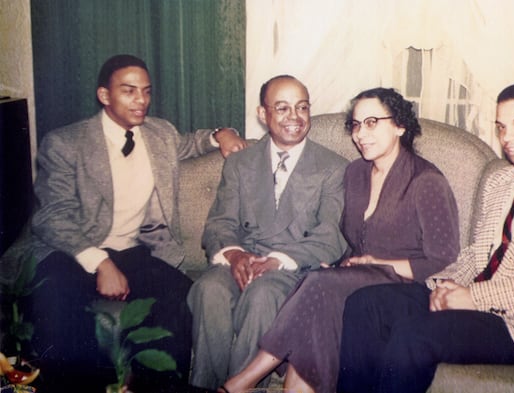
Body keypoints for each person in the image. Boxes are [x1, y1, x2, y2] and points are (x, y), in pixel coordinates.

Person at [337, 81, 514, 393]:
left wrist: (474, 297)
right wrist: (442, 286)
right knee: (365, 304)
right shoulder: (501, 181)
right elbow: (478, 254)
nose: (507, 138)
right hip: (475, 303)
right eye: (502, 127)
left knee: (414, 333)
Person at [27, 54, 247, 393]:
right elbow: (52, 215)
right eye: (129, 91)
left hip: (131, 252)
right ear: (104, 95)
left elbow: (191, 142)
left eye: (146, 91)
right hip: (71, 253)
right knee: (59, 305)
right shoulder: (65, 143)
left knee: (181, 295)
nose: (141, 100)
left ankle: (156, 386)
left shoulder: (159, 133)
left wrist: (222, 134)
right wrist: (99, 261)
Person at [220, 87, 460, 393]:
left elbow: (444, 259)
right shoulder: (356, 173)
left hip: (405, 289)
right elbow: (353, 236)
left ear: (400, 126)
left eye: (372, 122)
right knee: (319, 284)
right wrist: (334, 261)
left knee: (321, 284)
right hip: (360, 277)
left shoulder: (426, 182)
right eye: (356, 125)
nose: (361, 134)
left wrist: (379, 263)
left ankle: (243, 380)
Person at [186, 75, 349, 390]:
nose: (295, 118)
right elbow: (220, 223)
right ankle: (204, 386)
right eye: (283, 108)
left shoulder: (333, 168)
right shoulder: (240, 163)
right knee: (209, 289)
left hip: (294, 267)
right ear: (263, 114)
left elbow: (331, 236)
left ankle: (242, 387)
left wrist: (276, 260)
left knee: (262, 295)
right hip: (243, 259)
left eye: (302, 108)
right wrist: (234, 255)